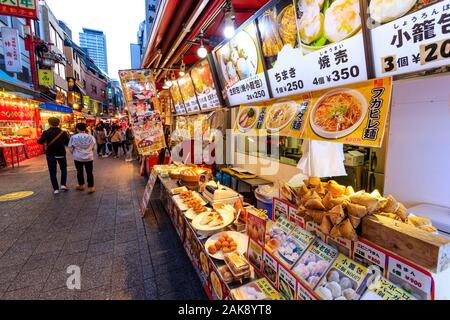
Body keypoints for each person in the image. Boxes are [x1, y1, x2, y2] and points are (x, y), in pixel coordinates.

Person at [37, 117, 70, 195]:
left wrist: (42, 140)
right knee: (63, 169)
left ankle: (55, 189)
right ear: (58, 123)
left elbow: (40, 141)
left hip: (50, 154)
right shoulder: (63, 132)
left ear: (49, 123)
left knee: (52, 171)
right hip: (61, 153)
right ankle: (63, 185)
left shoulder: (46, 132)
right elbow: (67, 143)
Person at [68, 122, 96, 193]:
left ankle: (81, 185)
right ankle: (91, 187)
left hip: (78, 157)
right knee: (89, 172)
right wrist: (89, 150)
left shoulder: (73, 137)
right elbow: (93, 146)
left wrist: (74, 153)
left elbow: (70, 147)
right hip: (89, 157)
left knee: (79, 171)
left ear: (77, 129)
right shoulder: (90, 137)